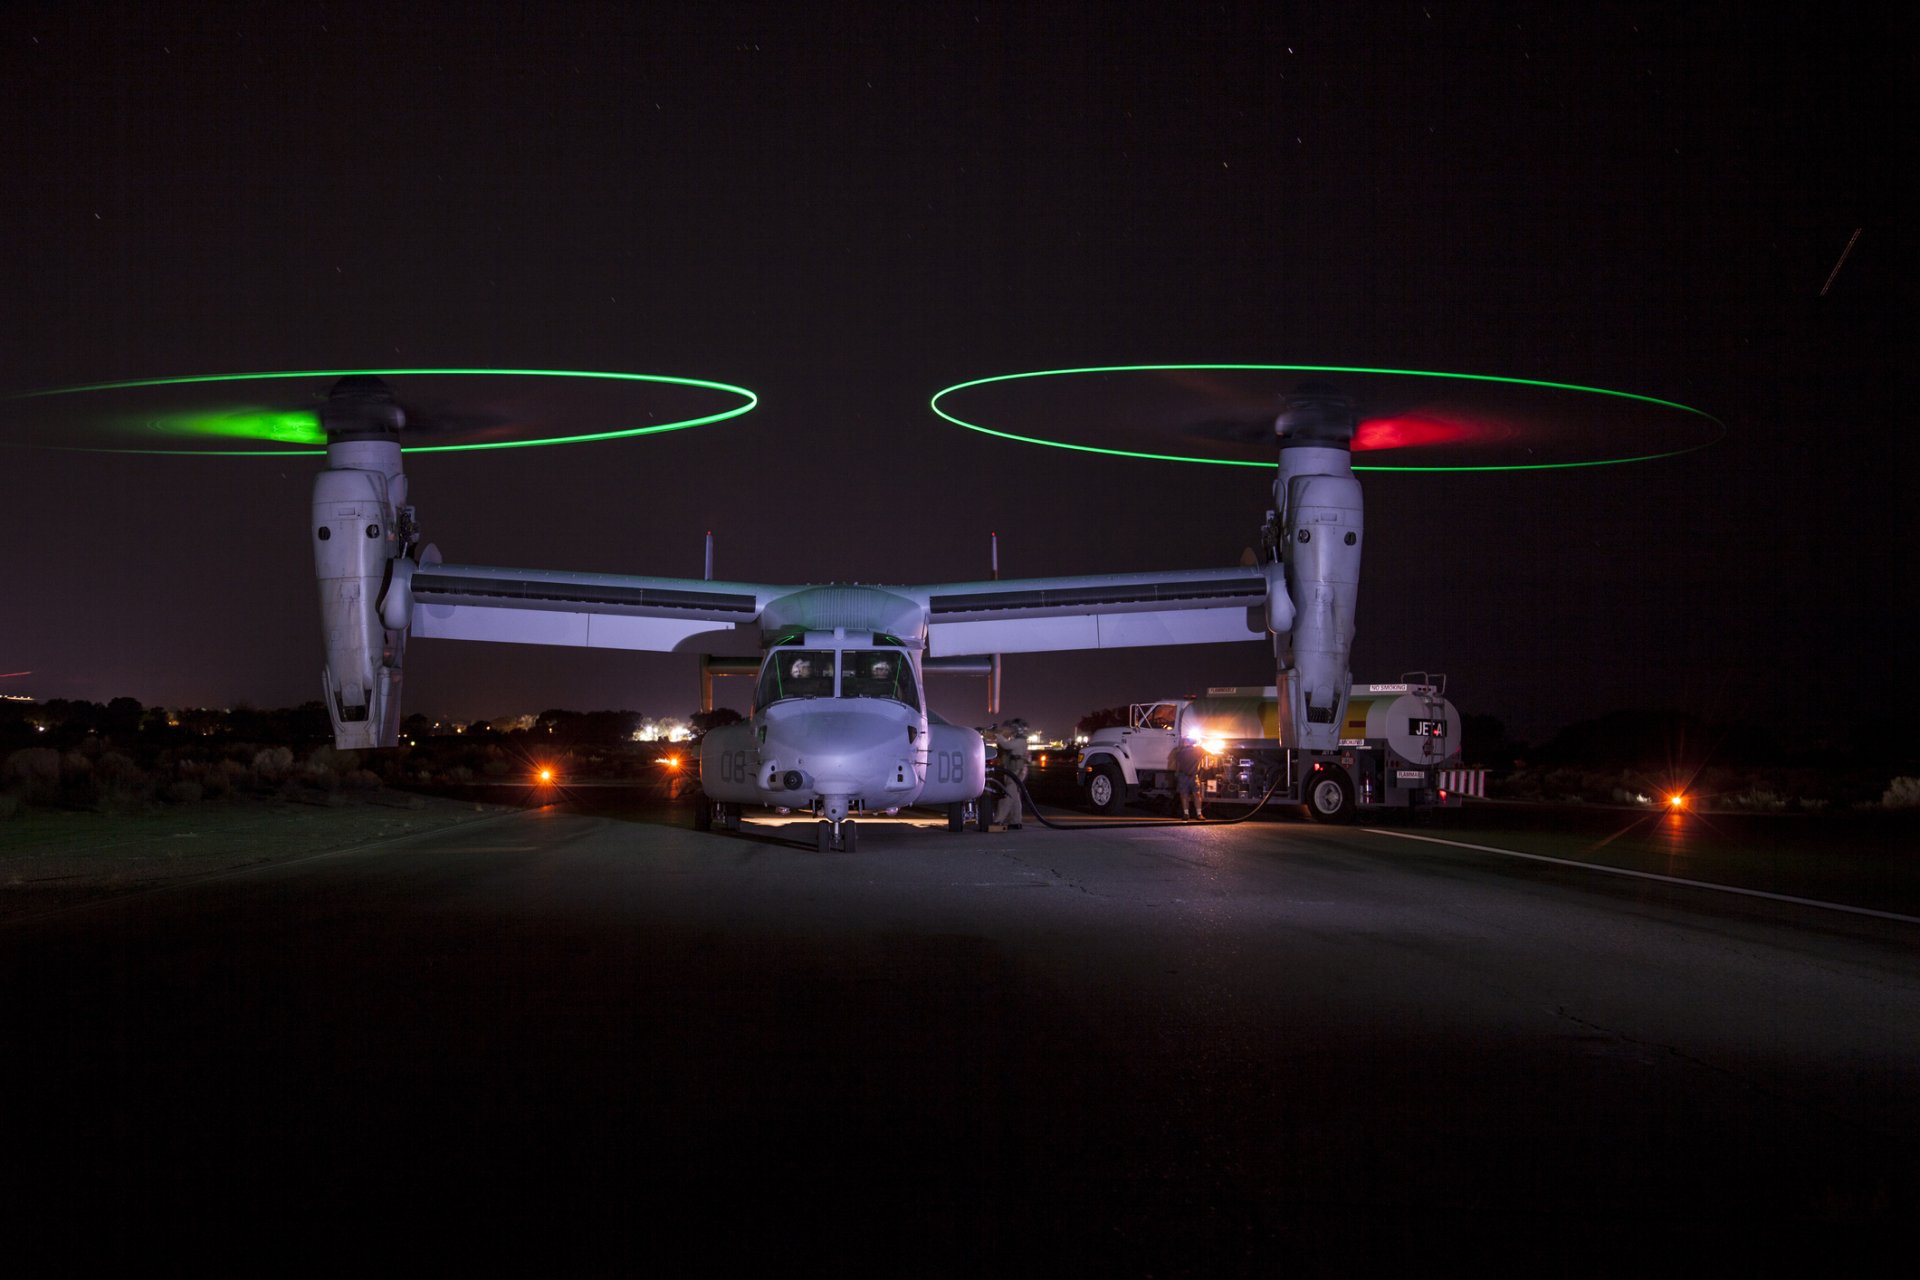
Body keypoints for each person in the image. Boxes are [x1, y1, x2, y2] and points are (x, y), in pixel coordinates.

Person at [993, 731, 1029, 829]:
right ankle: (1016, 821)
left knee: (1008, 795)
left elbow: (1006, 745)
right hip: (1013, 769)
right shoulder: (1018, 741)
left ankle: (998, 820)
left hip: (1016, 770)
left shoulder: (1020, 741)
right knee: (1015, 796)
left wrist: (997, 735)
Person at [1172, 739, 1205, 819]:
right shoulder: (1196, 750)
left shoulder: (1180, 751)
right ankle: (1193, 814)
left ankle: (1195, 814)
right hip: (1188, 775)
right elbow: (1178, 764)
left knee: (1188, 795)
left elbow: (1177, 764)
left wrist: (1176, 774)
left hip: (1190, 775)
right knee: (1192, 795)